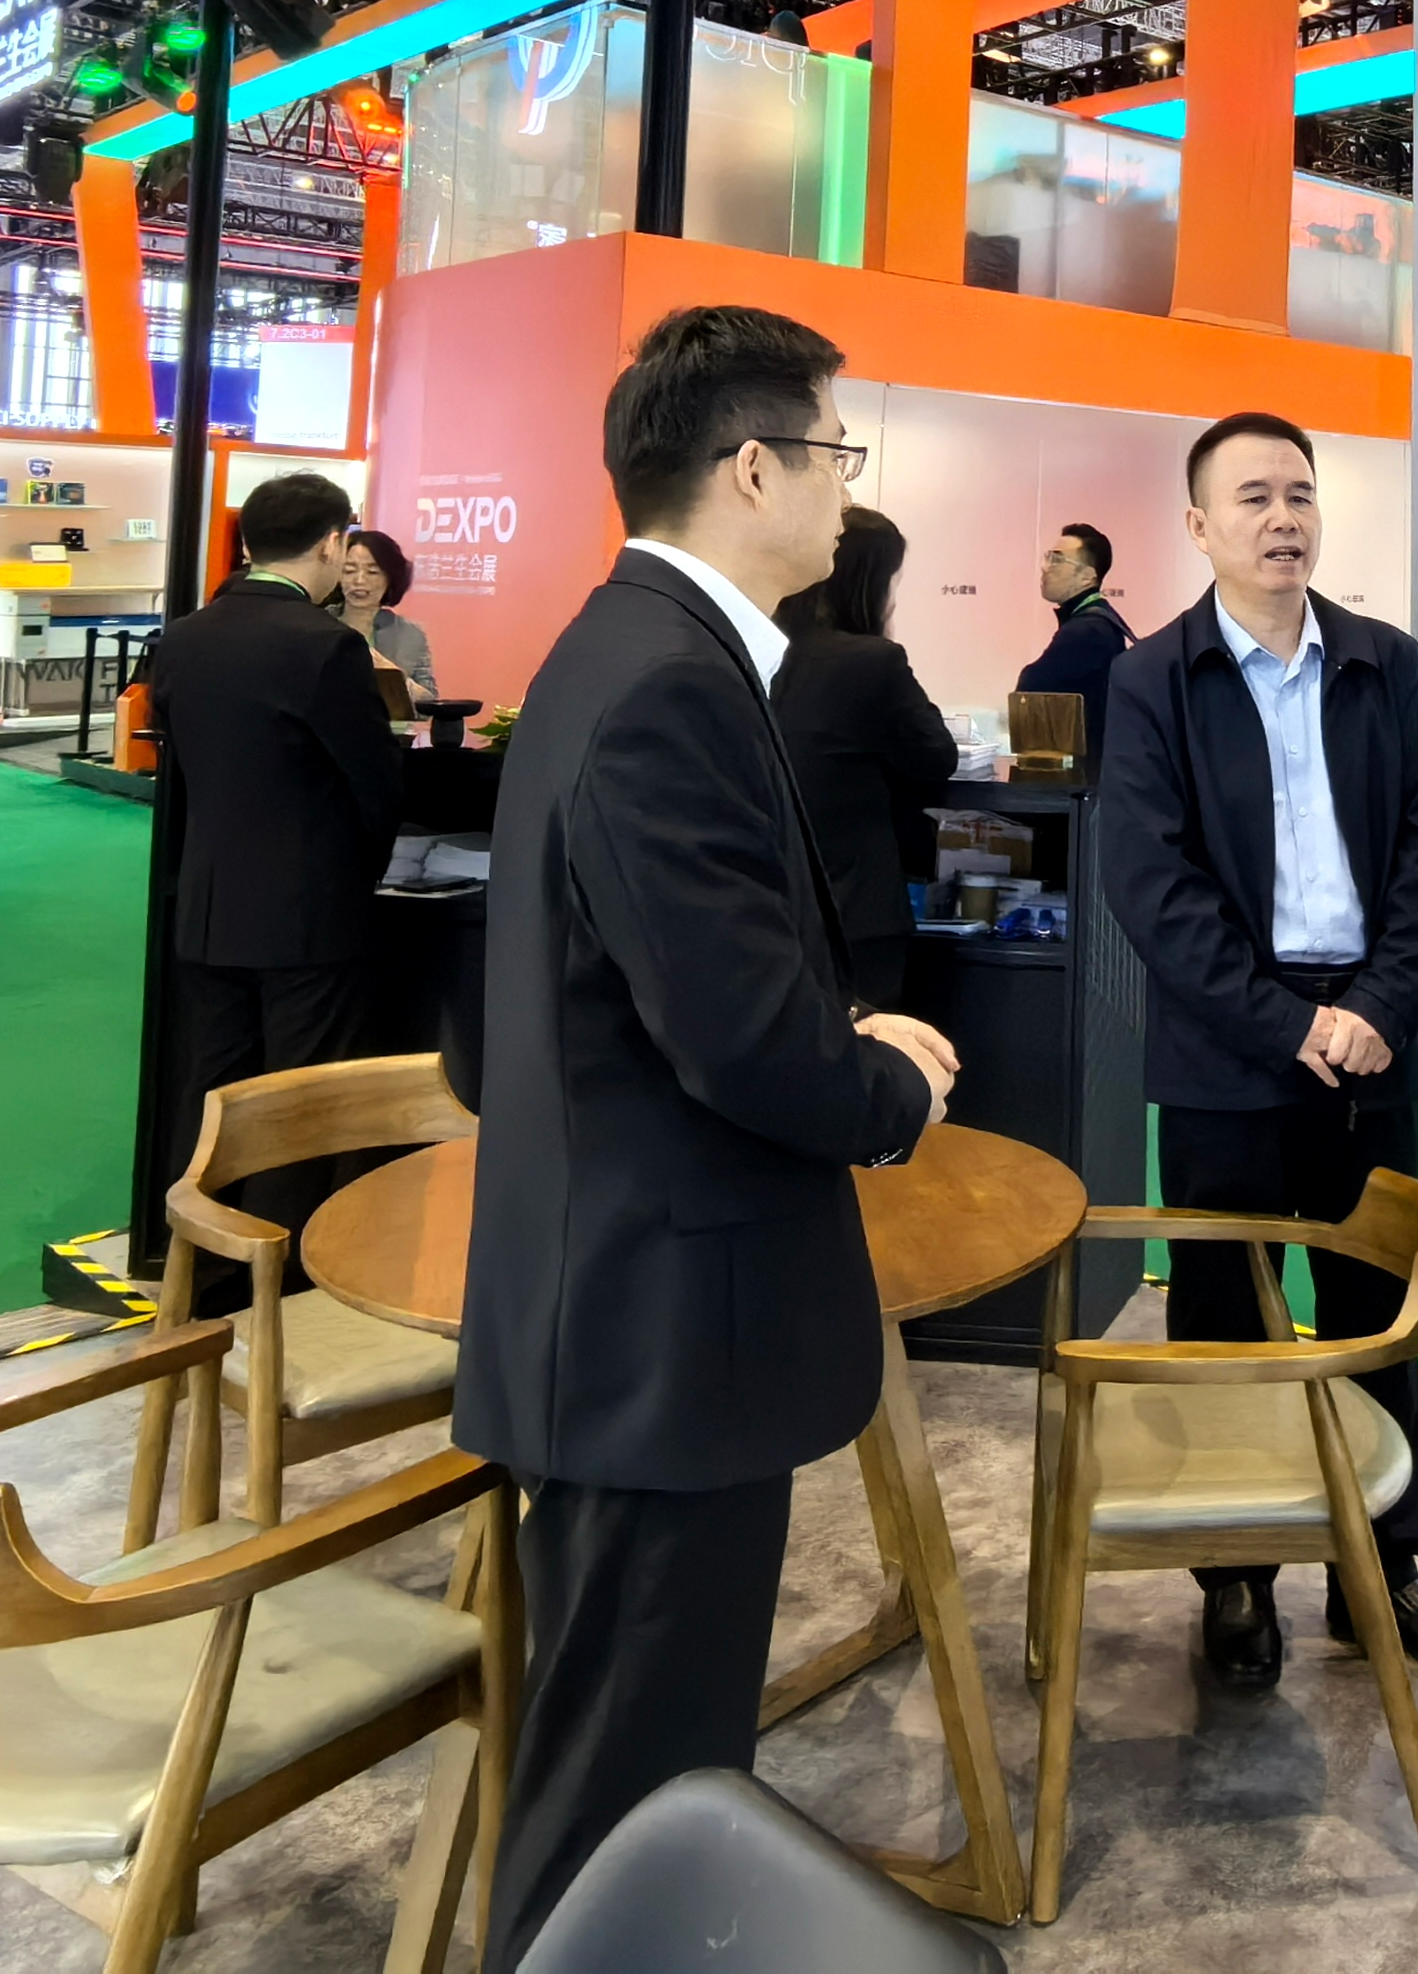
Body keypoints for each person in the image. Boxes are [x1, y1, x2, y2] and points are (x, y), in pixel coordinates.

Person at [453, 306, 960, 1973]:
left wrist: (822, 1028)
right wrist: (887, 1086)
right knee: (628, 1802)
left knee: (641, 1754)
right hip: (660, 1331)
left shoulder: (627, 648)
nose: (844, 491)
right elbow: (738, 1038)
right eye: (833, 453)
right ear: (753, 467)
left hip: (627, 1306)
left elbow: (569, 996)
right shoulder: (669, 682)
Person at [1099, 412, 1418, 1688]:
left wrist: (1377, 1004)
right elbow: (1150, 884)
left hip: (1373, 1043)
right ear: (1198, 524)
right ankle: (1235, 1579)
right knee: (1224, 1314)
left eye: (1300, 493)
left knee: (1376, 1312)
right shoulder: (1153, 678)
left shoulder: (1385, 663)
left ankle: (1383, 1570)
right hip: (1231, 1046)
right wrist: (1288, 1023)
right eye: (1253, 496)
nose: (1284, 517)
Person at [148, 471, 403, 1254]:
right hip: (308, 910)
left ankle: (203, 1257)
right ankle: (280, 1264)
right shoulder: (326, 646)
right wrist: (362, 873)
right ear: (330, 543)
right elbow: (375, 784)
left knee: (214, 1089)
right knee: (299, 1096)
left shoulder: (183, 637)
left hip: (208, 901)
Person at [767, 505, 960, 1008]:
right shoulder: (872, 662)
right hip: (856, 911)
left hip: (766, 905)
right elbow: (936, 756)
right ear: (869, 583)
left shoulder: (754, 648)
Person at [1017, 521, 1132, 750]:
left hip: (1083, 767)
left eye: (1058, 560)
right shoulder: (1098, 622)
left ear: (1087, 576)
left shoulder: (1088, 632)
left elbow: (1031, 688)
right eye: (1048, 557)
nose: (1046, 567)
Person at [334, 526, 436, 702]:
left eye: (372, 572)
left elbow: (429, 704)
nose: (359, 580)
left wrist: (392, 677)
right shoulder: (316, 624)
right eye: (349, 570)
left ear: (390, 578)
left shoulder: (410, 634)